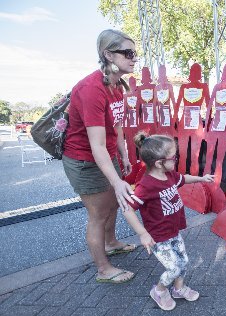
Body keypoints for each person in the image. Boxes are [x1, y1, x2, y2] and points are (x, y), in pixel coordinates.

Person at [62, 29, 139, 284]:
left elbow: (116, 126)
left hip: (107, 154)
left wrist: (124, 154)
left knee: (113, 204)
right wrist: (117, 181)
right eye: (127, 53)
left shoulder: (117, 85)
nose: (133, 58)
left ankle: (111, 242)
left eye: (135, 53)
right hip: (84, 159)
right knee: (98, 214)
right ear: (108, 55)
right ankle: (103, 269)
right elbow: (95, 146)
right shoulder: (91, 89)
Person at [123, 131, 214, 310]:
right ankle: (159, 290)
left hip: (173, 231)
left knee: (183, 261)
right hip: (158, 237)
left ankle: (178, 289)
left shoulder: (169, 175)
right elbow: (127, 209)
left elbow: (184, 179)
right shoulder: (146, 186)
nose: (176, 159)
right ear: (159, 163)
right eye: (174, 157)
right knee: (174, 268)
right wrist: (142, 234)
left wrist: (201, 178)